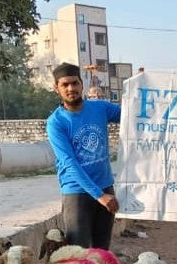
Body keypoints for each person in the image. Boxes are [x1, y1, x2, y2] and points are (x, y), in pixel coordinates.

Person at [46, 62, 122, 250]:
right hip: (77, 192)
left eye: (74, 83)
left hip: (105, 186)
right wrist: (100, 196)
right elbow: (69, 163)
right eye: (65, 85)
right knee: (78, 253)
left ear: (82, 84)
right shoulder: (56, 122)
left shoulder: (100, 108)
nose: (71, 88)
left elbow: (133, 116)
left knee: (102, 250)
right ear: (57, 89)